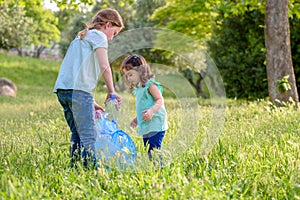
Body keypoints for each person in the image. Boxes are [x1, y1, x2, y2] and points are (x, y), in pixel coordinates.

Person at [53, 8, 124, 168]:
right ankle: (90, 171)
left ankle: (75, 167)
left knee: (77, 132)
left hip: (63, 91)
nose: (112, 38)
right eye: (114, 33)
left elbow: (75, 71)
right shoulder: (99, 36)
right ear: (107, 24)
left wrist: (89, 101)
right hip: (78, 92)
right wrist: (111, 91)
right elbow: (105, 66)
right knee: (89, 136)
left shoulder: (80, 37)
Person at [120, 54, 168, 163]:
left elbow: (159, 100)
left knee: (153, 150)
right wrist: (137, 119)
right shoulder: (139, 88)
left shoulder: (150, 85)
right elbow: (144, 105)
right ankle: (156, 169)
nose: (128, 78)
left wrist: (151, 111)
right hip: (146, 123)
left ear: (140, 71)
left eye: (130, 74)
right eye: (126, 75)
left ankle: (160, 170)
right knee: (148, 149)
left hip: (155, 122)